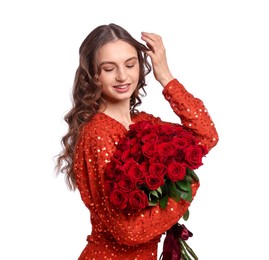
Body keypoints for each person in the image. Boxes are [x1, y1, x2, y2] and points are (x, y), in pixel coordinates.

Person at [56, 23, 219, 260]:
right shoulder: (98, 133)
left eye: (130, 65)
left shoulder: (145, 123)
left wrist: (165, 76)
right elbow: (128, 232)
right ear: (93, 75)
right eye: (109, 68)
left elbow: (206, 135)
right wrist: (185, 193)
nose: (122, 76)